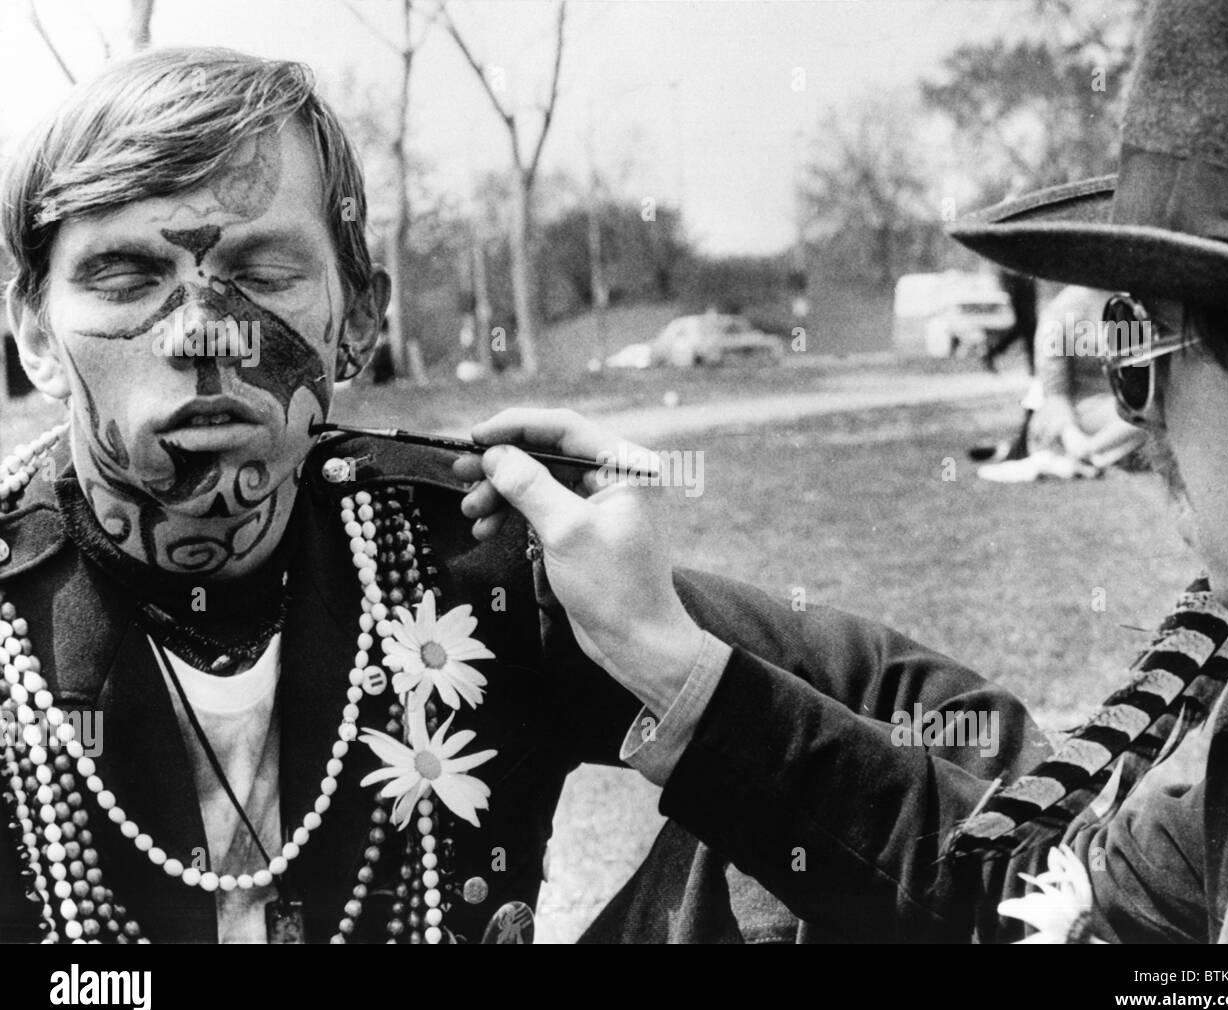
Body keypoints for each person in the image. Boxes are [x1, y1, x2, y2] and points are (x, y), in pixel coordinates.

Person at [0, 47, 1043, 943]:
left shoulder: (472, 553)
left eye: (265, 271)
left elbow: (975, 754)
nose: (203, 333)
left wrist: (667, 659)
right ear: (35, 331)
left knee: (770, 807)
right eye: (126, 277)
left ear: (358, 320)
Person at [461, 0, 1228, 942]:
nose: (1137, 423)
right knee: (914, 727)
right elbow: (1050, 896)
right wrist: (668, 656)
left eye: (1140, 349)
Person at [977, 285, 1147, 482]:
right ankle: (1083, 457)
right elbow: (1055, 393)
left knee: (1153, 414)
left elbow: (1142, 379)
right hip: (1075, 417)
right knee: (1150, 417)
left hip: (1122, 416)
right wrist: (1073, 437)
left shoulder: (1133, 301)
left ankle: (1086, 459)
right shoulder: (1063, 309)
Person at [983, 269, 1037, 374]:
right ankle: (993, 352)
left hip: (1024, 278)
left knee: (1026, 327)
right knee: (1027, 326)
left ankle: (993, 352)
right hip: (1019, 279)